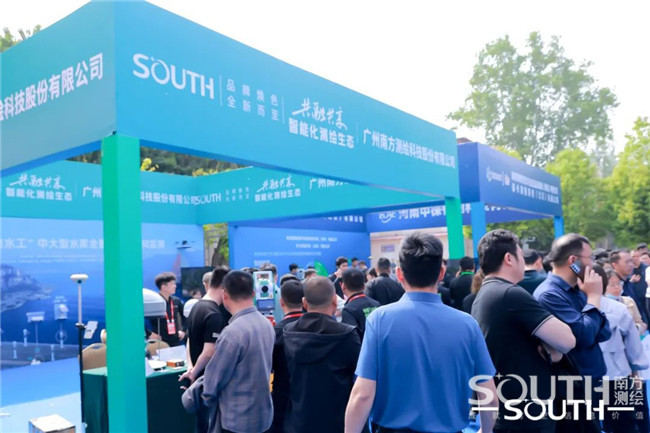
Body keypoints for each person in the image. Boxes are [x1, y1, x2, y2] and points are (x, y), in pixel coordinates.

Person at [345, 232, 498, 433]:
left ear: (399, 273)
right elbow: (489, 396)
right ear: (441, 272)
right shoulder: (467, 324)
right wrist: (485, 431)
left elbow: (363, 395)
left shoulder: (379, 320)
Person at [472, 230, 576, 433]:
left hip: (509, 409)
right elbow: (567, 340)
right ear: (509, 258)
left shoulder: (484, 294)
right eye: (520, 254)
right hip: (527, 414)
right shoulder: (509, 294)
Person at [533, 233, 611, 432]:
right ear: (573, 261)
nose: (592, 264)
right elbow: (584, 336)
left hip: (591, 379)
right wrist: (594, 298)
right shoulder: (549, 294)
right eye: (590, 258)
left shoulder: (579, 289)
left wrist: (591, 301)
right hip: (574, 384)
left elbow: (604, 332)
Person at [283, 276, 361, 433]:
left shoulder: (288, 333)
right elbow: (360, 378)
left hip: (299, 421)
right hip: (338, 421)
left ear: (304, 303)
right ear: (334, 301)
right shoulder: (347, 335)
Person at [202, 270, 275, 433]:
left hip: (237, 420)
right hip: (263, 416)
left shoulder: (232, 333)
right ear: (254, 293)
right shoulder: (266, 324)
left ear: (224, 294)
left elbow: (213, 382)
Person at [595, 265, 649, 433]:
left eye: (618, 283)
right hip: (616, 372)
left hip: (601, 373)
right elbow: (633, 347)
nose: (617, 287)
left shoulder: (571, 305)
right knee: (621, 418)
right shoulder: (616, 308)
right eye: (612, 284)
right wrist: (637, 366)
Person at [180, 266, 230, 433]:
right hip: (206, 382)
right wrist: (194, 371)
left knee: (201, 424)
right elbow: (210, 351)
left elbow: (190, 340)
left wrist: (191, 367)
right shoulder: (214, 314)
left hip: (198, 379)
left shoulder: (197, 307)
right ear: (224, 287)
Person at [270, 279, 305, 433]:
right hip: (310, 397)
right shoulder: (316, 327)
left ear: (281, 302)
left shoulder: (276, 332)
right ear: (304, 301)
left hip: (282, 398)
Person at [146, 272, 185, 347]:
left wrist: (183, 330)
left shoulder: (176, 301)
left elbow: (185, 316)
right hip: (160, 341)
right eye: (172, 284)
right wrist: (149, 333)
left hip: (176, 340)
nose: (175, 286)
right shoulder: (153, 302)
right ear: (164, 287)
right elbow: (138, 318)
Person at [611, 249, 649, 325]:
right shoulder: (611, 287)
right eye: (626, 262)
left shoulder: (629, 283)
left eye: (631, 261)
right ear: (615, 265)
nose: (631, 265)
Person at [341, 268, 380, 340]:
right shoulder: (377, 305)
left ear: (343, 286)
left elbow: (352, 339)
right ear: (364, 286)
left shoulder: (348, 310)